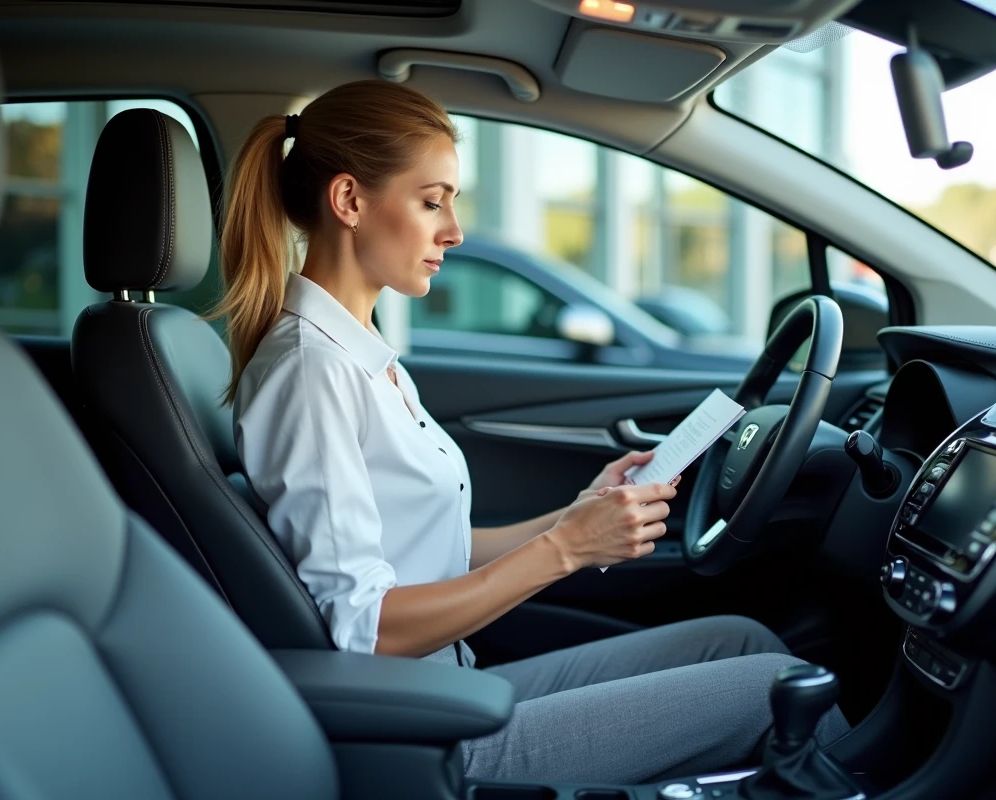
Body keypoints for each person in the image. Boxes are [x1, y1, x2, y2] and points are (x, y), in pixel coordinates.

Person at [212, 79, 848, 785]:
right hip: (427, 735)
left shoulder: (362, 353)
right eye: (432, 201)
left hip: (452, 686)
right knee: (779, 687)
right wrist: (564, 550)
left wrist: (574, 517)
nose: (453, 230)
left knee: (739, 642)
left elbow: (431, 549)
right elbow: (365, 629)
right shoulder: (312, 371)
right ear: (350, 201)